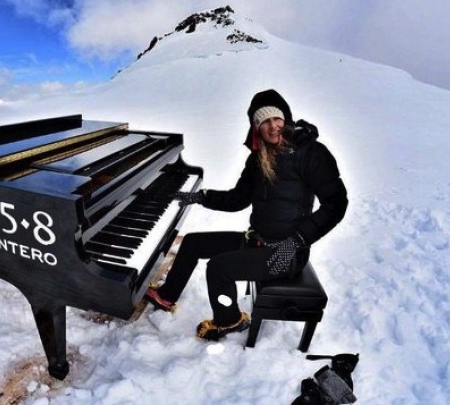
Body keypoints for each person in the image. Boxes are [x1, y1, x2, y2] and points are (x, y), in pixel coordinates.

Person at [144, 89, 348, 341]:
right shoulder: (257, 159)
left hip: (286, 252)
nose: (273, 126)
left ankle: (229, 321)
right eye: (264, 121)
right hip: (258, 240)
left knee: (219, 268)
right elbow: (238, 199)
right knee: (192, 243)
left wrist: (295, 242)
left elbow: (336, 204)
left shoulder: (311, 153)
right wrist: (200, 197)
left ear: (286, 120)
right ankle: (167, 296)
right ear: (256, 127)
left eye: (277, 119)